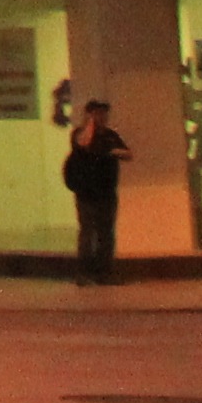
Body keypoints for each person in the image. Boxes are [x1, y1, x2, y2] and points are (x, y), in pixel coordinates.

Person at [63, 96, 135, 283]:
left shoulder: (110, 136)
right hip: (86, 193)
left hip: (107, 193)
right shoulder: (80, 133)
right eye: (97, 113)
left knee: (106, 233)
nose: (102, 117)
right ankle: (84, 273)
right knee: (87, 232)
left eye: (103, 113)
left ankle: (105, 272)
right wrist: (90, 124)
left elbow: (128, 153)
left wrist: (113, 152)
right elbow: (84, 143)